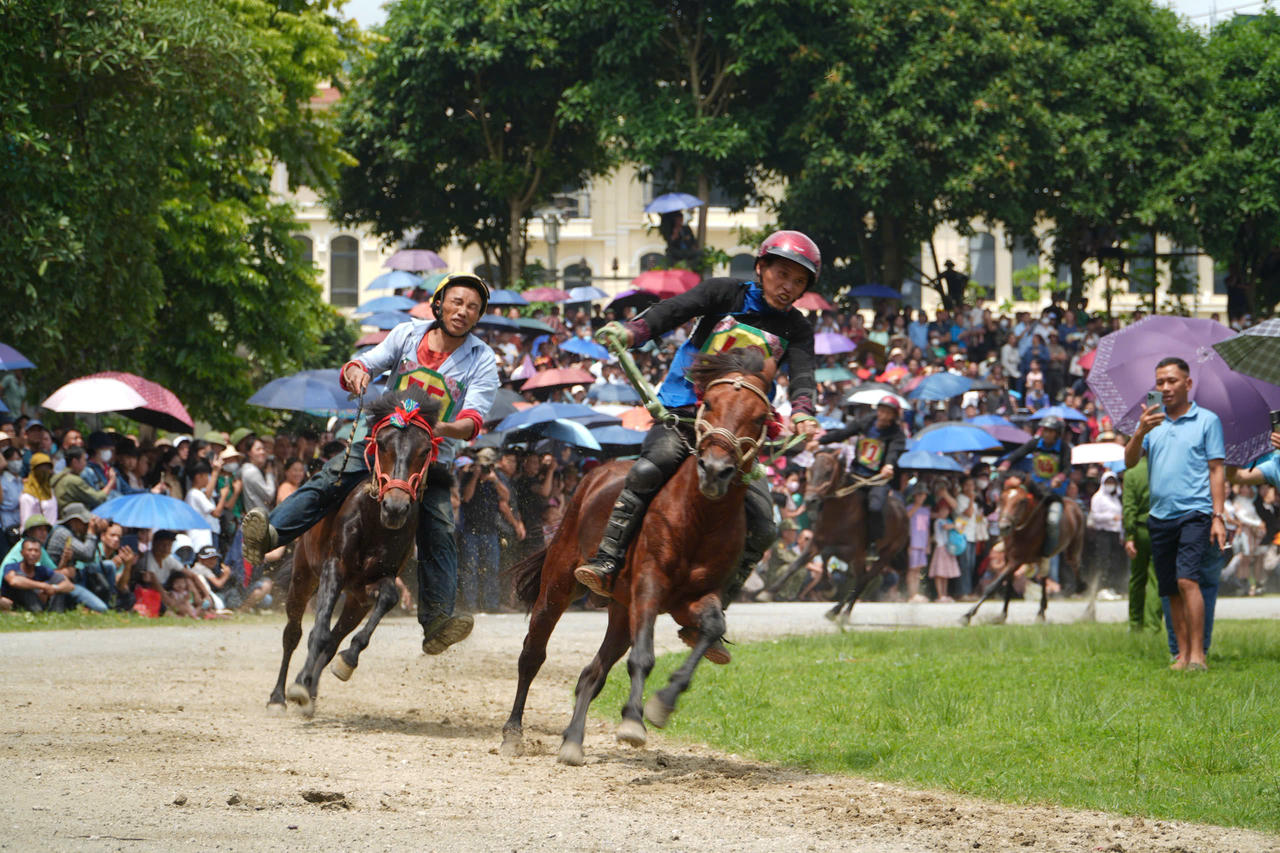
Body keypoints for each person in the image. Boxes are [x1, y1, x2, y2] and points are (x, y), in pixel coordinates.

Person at [241, 273, 499, 655]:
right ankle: (270, 534)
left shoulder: (483, 359)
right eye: (457, 302)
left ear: (479, 317)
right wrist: (358, 372)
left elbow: (472, 420)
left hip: (428, 457)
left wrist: (437, 426)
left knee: (441, 529)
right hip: (383, 443)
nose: (463, 311)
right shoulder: (407, 334)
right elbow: (365, 362)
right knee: (330, 478)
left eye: (473, 307)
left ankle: (437, 619)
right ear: (439, 302)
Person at [574, 231, 821, 615]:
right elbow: (673, 311)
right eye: (781, 274)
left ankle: (717, 602)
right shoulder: (725, 293)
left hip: (736, 435)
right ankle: (607, 561)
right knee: (650, 468)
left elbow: (804, 375)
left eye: (798, 281)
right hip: (684, 411)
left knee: (765, 524)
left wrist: (804, 410)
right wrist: (632, 331)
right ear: (760, 267)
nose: (788, 287)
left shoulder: (799, 329)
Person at [1124, 356, 1226, 672]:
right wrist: (1140, 431)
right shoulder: (1151, 423)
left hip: (1195, 512)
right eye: (1160, 382)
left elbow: (1216, 470)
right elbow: (1128, 463)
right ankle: (1181, 655)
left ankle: (1199, 655)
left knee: (1187, 580)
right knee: (1169, 588)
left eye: (1172, 381)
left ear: (1188, 384)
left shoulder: (1207, 420)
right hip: (1159, 516)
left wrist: (1218, 516)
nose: (1165, 388)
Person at [817, 396, 906, 561]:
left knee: (875, 507)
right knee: (826, 493)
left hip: (877, 480)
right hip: (855, 474)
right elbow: (843, 433)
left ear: (894, 416)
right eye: (882, 410)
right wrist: (820, 441)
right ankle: (820, 529)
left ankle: (872, 543)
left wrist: (889, 466)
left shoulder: (897, 435)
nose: (884, 415)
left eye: (888, 413)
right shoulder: (866, 422)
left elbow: (893, 452)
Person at [1000, 415, 1072, 555]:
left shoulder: (1064, 448)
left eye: (1050, 431)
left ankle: (1048, 551)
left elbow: (1067, 469)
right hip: (1034, 486)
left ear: (1057, 434)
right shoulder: (1035, 443)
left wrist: (1059, 478)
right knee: (1014, 508)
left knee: (1053, 520)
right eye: (1044, 430)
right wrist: (1006, 463)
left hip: (1053, 491)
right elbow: (1018, 453)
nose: (1046, 434)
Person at [457, 447, 508, 612]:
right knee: (470, 568)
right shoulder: (469, 477)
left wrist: (495, 480)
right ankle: (470, 605)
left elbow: (506, 497)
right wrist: (476, 476)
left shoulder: (496, 478)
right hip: (470, 530)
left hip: (490, 530)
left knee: (492, 568)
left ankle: (491, 605)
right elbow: (466, 497)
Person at [1122, 455, 1162, 633]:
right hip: (1161, 528)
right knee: (1156, 580)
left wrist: (1129, 535)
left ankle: (1135, 624)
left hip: (1139, 530)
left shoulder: (1132, 473)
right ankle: (1152, 626)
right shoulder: (1165, 469)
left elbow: (1129, 507)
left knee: (1137, 579)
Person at [2, 537, 76, 613]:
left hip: (40, 604)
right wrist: (42, 586)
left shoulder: (42, 570)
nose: (33, 554)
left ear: (40, 554)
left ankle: (55, 613)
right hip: (13, 606)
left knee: (58, 586)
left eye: (36, 551)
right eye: (30, 550)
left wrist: (54, 588)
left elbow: (70, 585)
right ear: (22, 553)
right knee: (23, 581)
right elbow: (14, 581)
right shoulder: (11, 567)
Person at [51, 447, 116, 511]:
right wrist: (111, 481)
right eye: (84, 460)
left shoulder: (59, 476)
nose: (86, 463)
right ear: (75, 462)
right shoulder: (74, 480)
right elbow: (97, 498)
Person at [20, 452, 57, 527]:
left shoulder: (50, 491)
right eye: (43, 469)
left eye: (48, 468)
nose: (48, 472)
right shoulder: (27, 496)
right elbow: (26, 524)